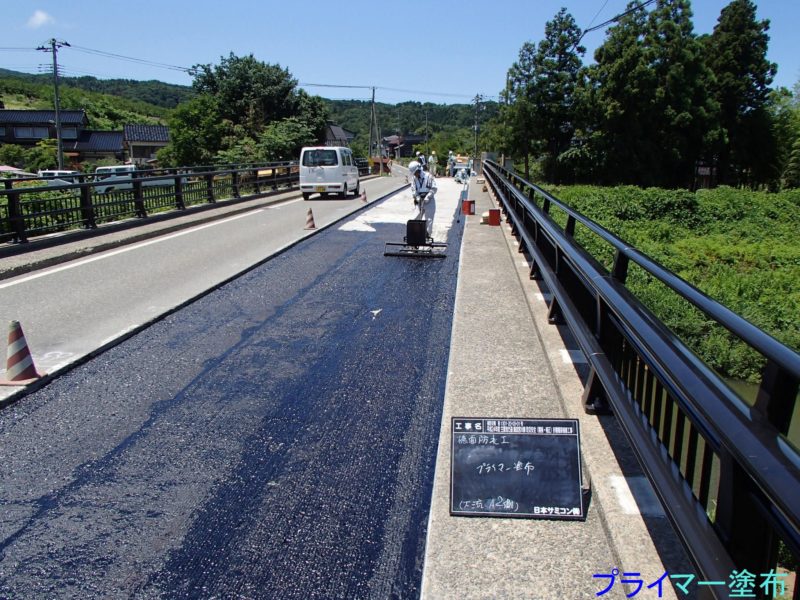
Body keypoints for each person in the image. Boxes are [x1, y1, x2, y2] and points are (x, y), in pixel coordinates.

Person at [408, 160, 437, 238]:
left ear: (419, 169)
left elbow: (434, 188)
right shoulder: (414, 179)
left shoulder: (428, 176)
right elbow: (413, 189)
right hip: (419, 201)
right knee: (415, 218)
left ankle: (427, 236)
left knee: (429, 220)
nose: (415, 174)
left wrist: (428, 197)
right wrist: (417, 197)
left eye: (415, 172)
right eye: (413, 173)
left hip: (429, 200)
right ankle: (415, 236)